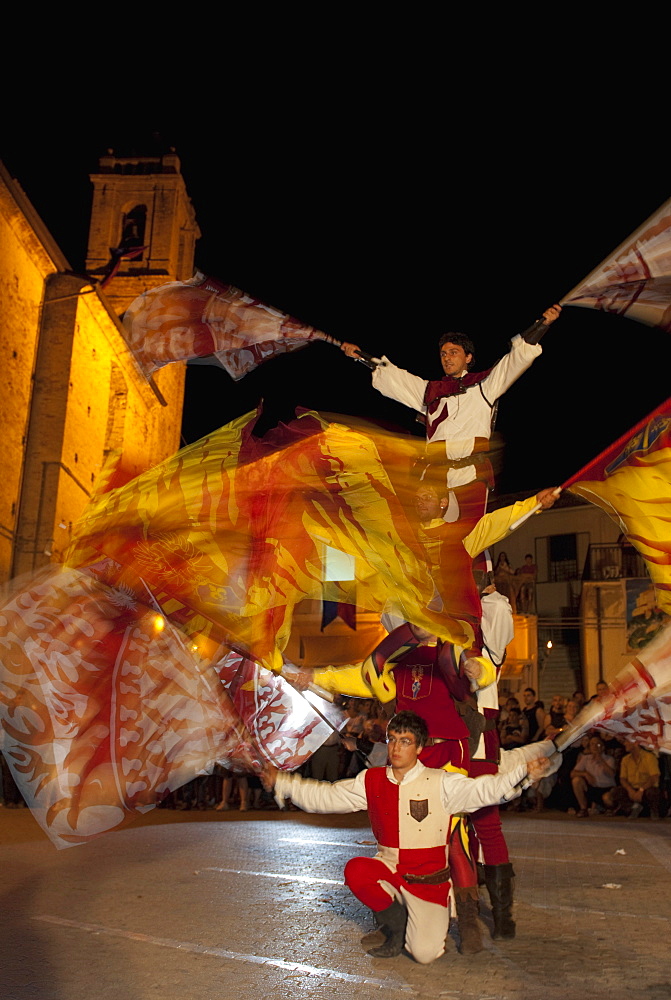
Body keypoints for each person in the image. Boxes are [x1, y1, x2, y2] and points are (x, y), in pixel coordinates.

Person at [262, 710, 555, 965]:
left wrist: (524, 775)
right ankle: (395, 921)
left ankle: (412, 922)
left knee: (425, 953)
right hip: (390, 871)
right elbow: (325, 797)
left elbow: (485, 790)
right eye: (392, 740)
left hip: (429, 883)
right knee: (357, 871)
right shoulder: (372, 779)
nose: (396, 748)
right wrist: (284, 782)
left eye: (405, 741)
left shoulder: (442, 782)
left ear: (419, 747)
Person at [340, 306, 561, 525]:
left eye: (454, 352)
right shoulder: (430, 391)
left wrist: (543, 323)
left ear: (468, 357)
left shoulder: (484, 386)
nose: (447, 358)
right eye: (443, 354)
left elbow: (513, 362)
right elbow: (394, 377)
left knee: (471, 536)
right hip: (435, 477)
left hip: (471, 475)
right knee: (432, 536)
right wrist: (359, 356)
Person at [613, 738, 661, 818]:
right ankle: (633, 807)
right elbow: (622, 778)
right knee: (616, 791)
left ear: (635, 743)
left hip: (646, 789)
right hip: (633, 789)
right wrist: (630, 790)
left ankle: (654, 810)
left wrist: (641, 790)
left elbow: (654, 777)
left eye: (627, 742)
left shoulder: (649, 757)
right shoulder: (625, 759)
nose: (625, 744)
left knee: (653, 792)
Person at [570, 735, 617, 817]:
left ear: (602, 747)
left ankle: (608, 808)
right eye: (592, 744)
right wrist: (585, 773)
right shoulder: (586, 758)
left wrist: (601, 760)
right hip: (593, 787)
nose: (594, 746)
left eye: (597, 744)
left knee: (608, 799)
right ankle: (583, 808)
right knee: (576, 780)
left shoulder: (609, 759)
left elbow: (611, 774)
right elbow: (573, 773)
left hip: (606, 788)